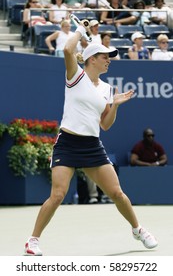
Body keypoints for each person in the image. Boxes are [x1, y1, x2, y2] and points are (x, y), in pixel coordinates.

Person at [24, 20, 158, 255]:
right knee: (57, 195)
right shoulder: (75, 75)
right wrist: (80, 30)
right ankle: (33, 240)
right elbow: (67, 50)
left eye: (109, 57)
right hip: (67, 143)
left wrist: (114, 106)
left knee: (117, 193)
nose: (109, 60)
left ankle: (137, 230)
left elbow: (105, 125)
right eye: (105, 56)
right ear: (92, 58)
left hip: (92, 145)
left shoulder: (106, 88)